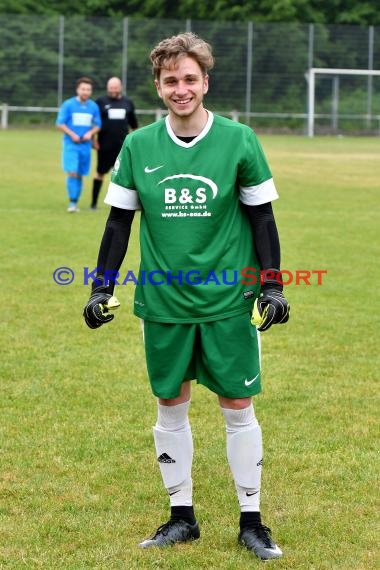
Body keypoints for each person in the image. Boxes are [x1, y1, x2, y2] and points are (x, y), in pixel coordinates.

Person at [83, 33, 290, 561]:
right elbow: (118, 221)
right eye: (171, 80)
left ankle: (252, 521)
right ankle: (182, 517)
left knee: (238, 406)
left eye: (190, 79)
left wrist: (272, 283)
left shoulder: (239, 140)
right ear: (158, 86)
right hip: (165, 303)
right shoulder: (138, 145)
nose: (181, 89)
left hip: (225, 300)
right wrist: (101, 286)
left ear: (205, 82)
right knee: (170, 405)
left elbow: (262, 217)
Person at [91, 77, 138, 210]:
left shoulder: (128, 102)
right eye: (111, 87)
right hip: (104, 145)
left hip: (123, 147)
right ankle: (93, 204)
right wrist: (93, 139)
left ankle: (121, 205)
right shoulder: (100, 102)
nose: (113, 90)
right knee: (100, 173)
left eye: (115, 87)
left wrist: (136, 143)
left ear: (120, 87)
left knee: (123, 176)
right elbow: (94, 123)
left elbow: (134, 125)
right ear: (107, 87)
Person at [56, 77, 101, 212]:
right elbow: (60, 123)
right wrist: (72, 134)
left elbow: (98, 125)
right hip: (71, 145)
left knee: (80, 173)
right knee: (73, 172)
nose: (85, 92)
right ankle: (72, 202)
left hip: (85, 146)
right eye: (83, 89)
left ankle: (75, 201)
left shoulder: (93, 106)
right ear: (77, 90)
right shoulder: (68, 105)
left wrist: (90, 133)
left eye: (88, 89)